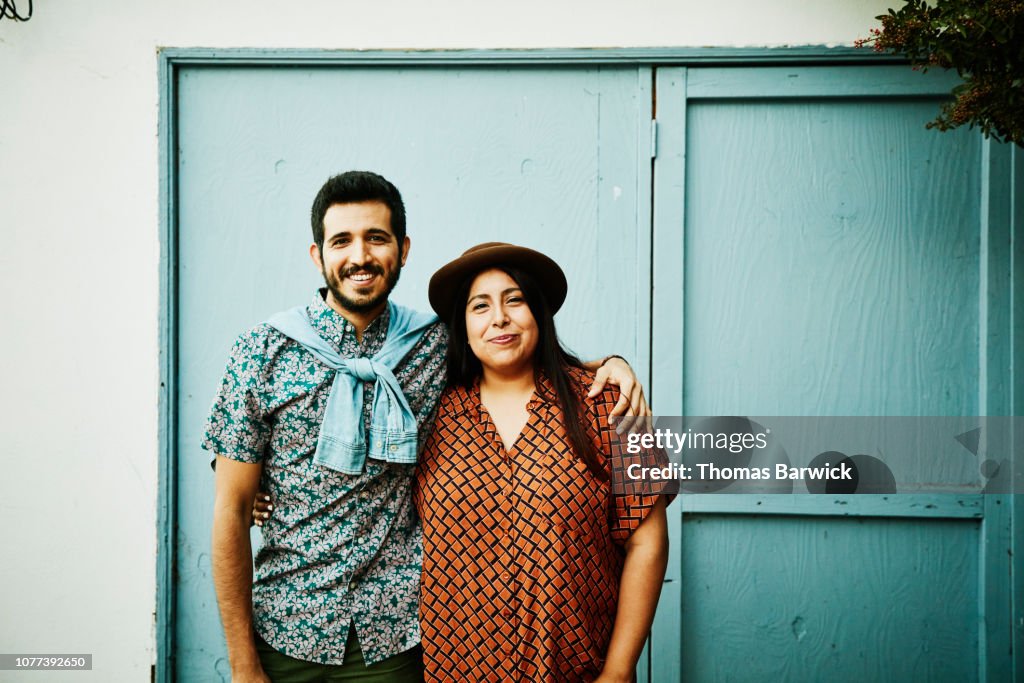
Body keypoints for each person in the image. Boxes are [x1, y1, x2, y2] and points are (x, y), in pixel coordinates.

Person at [204, 171, 650, 682]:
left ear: (403, 249)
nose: (360, 256)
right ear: (317, 255)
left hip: (395, 639)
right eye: (342, 240)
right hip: (286, 628)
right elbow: (231, 508)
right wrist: (242, 663)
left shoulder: (432, 346)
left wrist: (610, 365)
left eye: (376, 238)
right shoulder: (261, 352)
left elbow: (511, 351)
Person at [414, 242, 671, 682]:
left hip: (577, 670)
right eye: (480, 306)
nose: (499, 317)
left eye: (514, 300)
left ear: (539, 311)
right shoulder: (427, 415)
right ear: (463, 325)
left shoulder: (604, 403)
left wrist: (619, 670)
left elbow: (647, 543)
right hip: (456, 670)